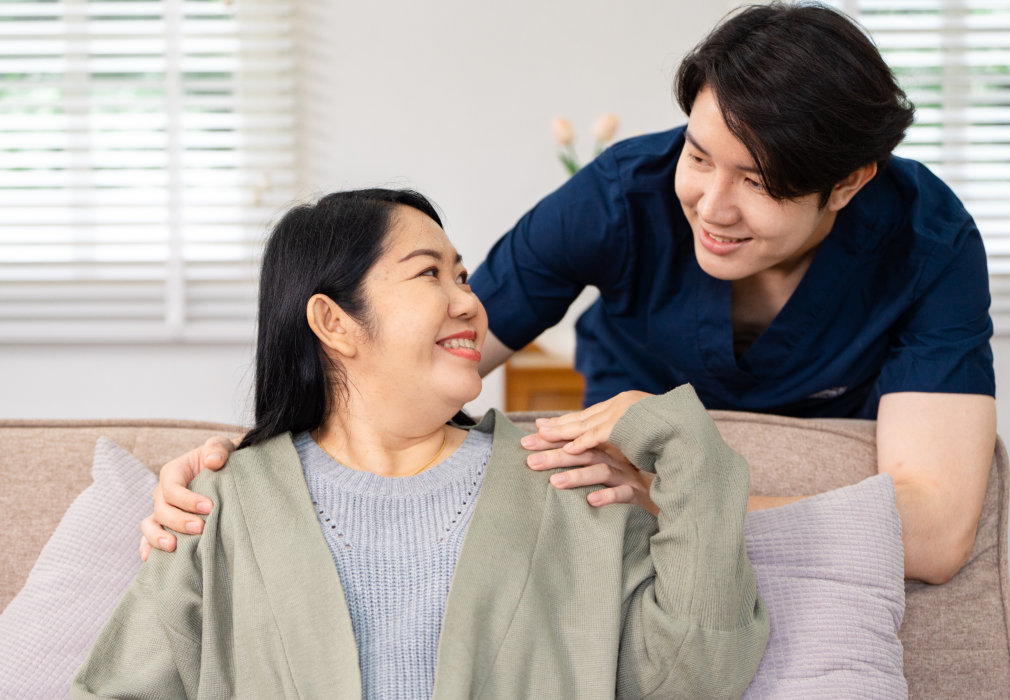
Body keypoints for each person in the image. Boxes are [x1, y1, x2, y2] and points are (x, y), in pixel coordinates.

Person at [144, 2, 995, 585]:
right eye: (699, 156)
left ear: (847, 184)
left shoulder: (926, 240)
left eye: (760, 183)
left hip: (685, 502)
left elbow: (934, 532)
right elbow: (409, 364)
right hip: (610, 506)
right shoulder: (618, 198)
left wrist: (671, 498)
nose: (711, 205)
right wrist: (244, 464)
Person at [74, 189, 767, 698]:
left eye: (463, 275)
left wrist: (680, 444)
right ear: (334, 322)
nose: (469, 301)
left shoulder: (566, 480)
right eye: (429, 273)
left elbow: (695, 679)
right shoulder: (219, 506)